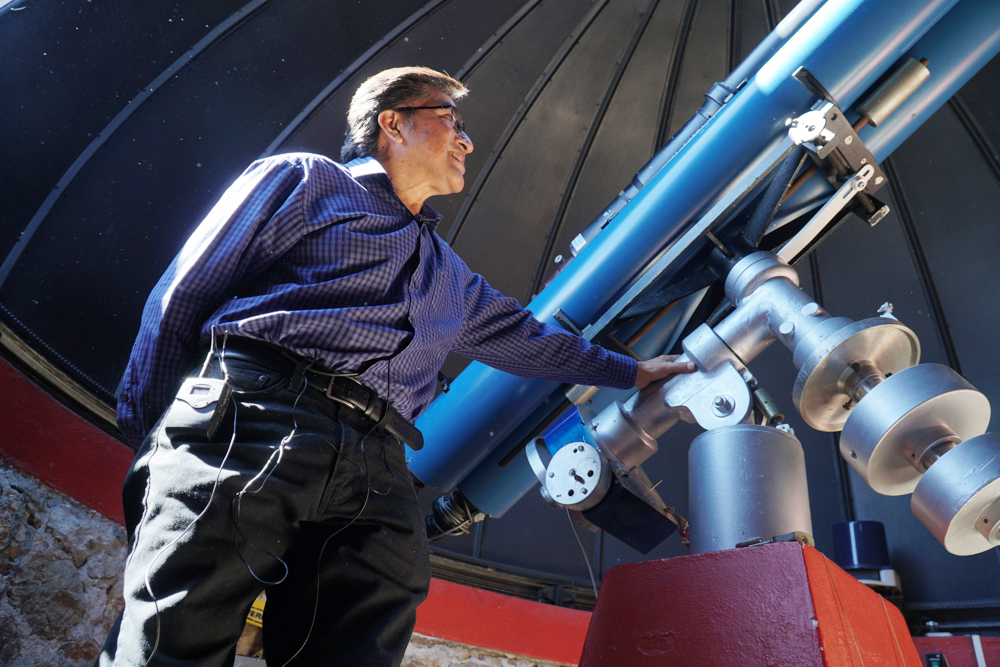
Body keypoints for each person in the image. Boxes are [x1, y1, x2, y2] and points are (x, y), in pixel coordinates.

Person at [98, 66, 694, 667]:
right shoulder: (305, 180)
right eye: (452, 122)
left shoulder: (451, 276)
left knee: (363, 635)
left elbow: (529, 341)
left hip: (380, 464)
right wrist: (160, 438)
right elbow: (182, 296)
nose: (467, 141)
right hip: (257, 416)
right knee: (178, 635)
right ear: (392, 123)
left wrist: (632, 372)